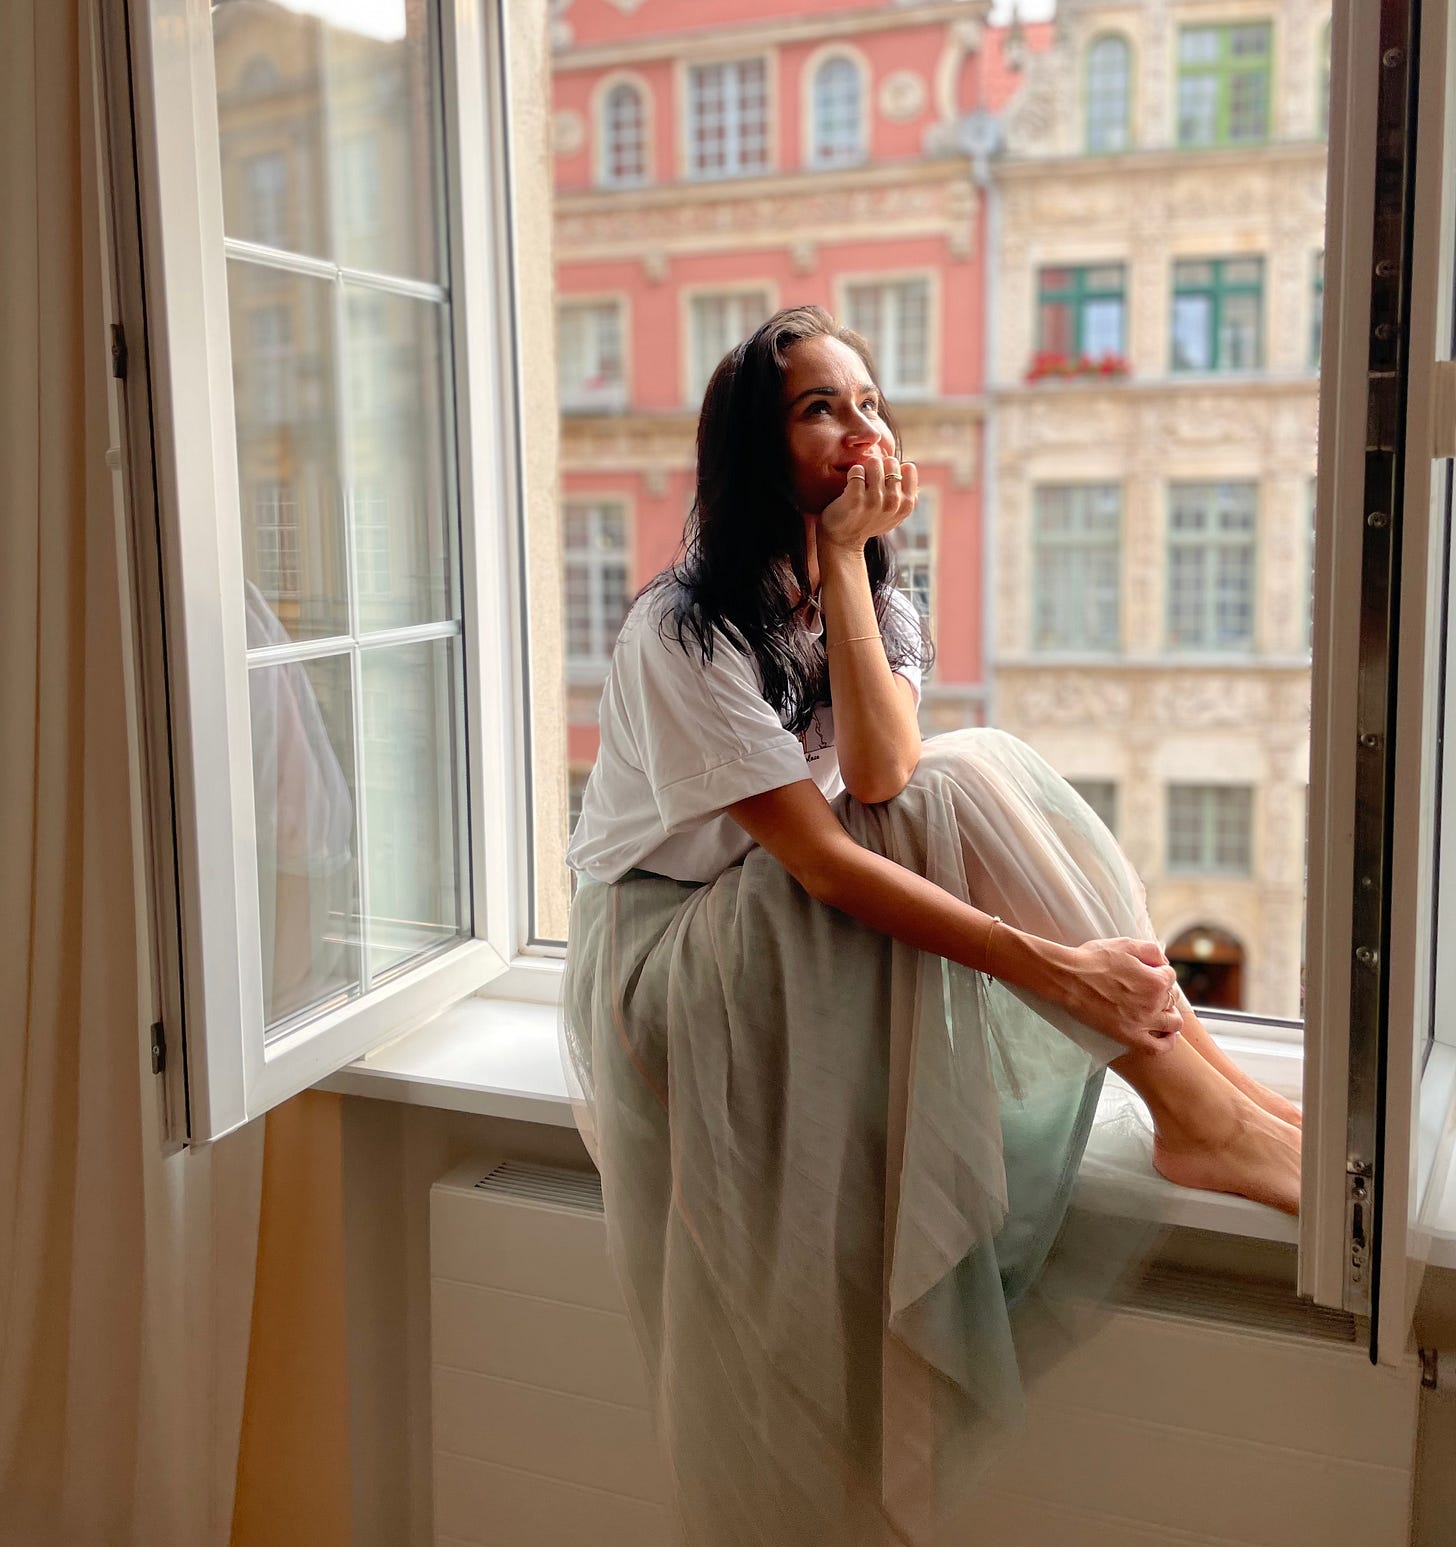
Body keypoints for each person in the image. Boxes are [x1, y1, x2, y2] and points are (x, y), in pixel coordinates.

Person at [560, 305, 1301, 1546]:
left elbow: (880, 767)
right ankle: (1201, 1110)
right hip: (671, 959)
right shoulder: (680, 628)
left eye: (868, 401)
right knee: (962, 776)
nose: (860, 429)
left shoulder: (872, 599)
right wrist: (1054, 969)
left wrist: (847, 567)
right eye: (818, 409)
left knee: (949, 767)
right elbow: (831, 857)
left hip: (779, 914)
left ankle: (1214, 1098)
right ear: (758, 449)